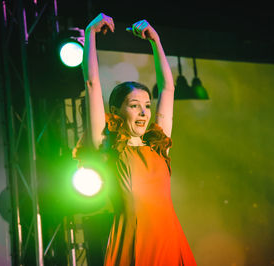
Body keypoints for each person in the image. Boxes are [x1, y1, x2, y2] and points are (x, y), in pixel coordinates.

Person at [74, 13, 197, 266]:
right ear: (117, 111)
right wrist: (90, 33)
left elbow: (168, 88)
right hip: (132, 241)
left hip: (169, 240)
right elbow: (92, 83)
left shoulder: (157, 144)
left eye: (146, 106)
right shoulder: (108, 147)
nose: (143, 112)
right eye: (134, 105)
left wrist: (156, 40)